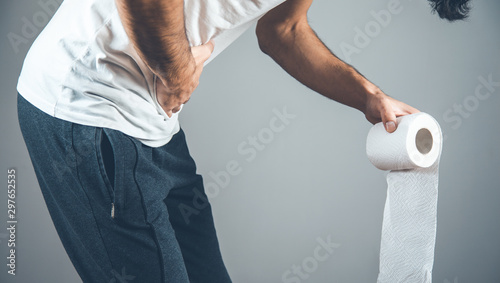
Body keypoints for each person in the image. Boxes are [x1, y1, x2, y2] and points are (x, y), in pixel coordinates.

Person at [16, 0, 471, 282]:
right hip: (87, 108)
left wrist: (369, 97)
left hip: (153, 126)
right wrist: (176, 74)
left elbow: (283, 30)